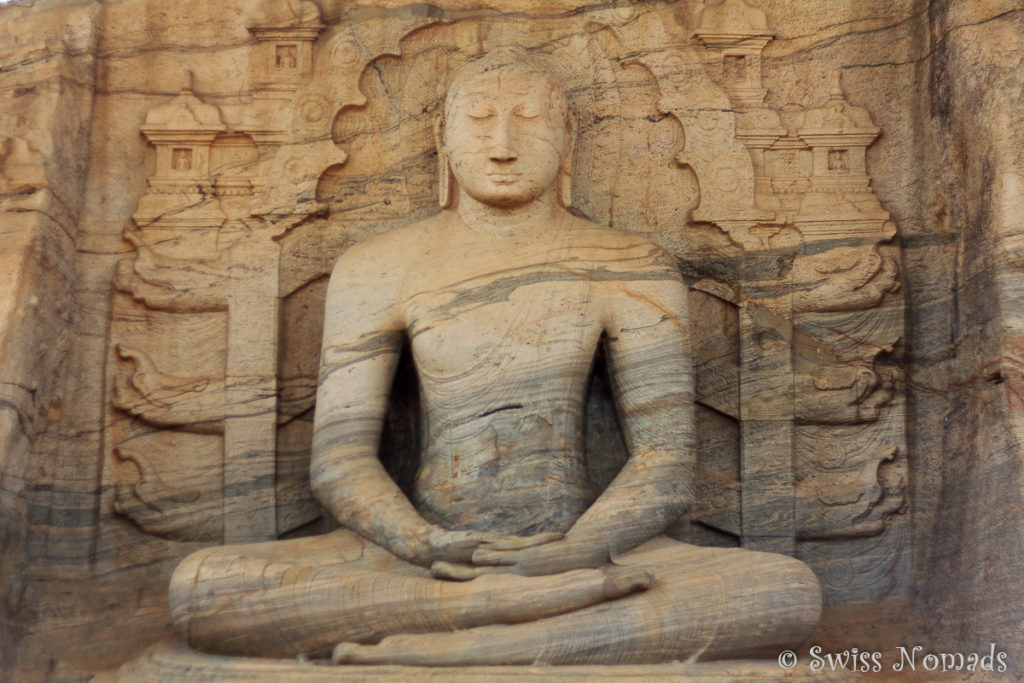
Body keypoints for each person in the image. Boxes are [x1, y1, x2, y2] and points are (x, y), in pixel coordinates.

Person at [169, 48, 821, 665]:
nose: (502, 144)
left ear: (568, 141)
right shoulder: (375, 267)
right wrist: (421, 541)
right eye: (478, 121)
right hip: (417, 560)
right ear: (442, 143)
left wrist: (573, 553)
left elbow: (666, 463)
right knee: (200, 588)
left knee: (785, 591)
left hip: (587, 554)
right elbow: (340, 460)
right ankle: (502, 614)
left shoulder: (629, 265)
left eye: (530, 122)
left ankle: (452, 639)